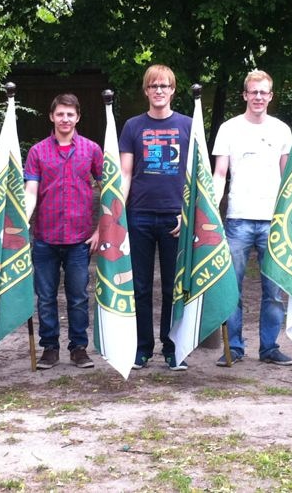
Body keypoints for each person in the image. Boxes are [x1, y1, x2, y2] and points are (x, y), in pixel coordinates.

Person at [211, 70, 292, 367]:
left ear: (271, 96)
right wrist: (212, 208)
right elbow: (220, 174)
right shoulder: (229, 129)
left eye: (264, 92)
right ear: (245, 95)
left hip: (274, 220)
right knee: (231, 289)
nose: (258, 97)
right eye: (253, 92)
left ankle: (270, 347)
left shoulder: (282, 130)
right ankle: (233, 347)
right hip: (238, 220)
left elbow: (289, 178)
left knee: (273, 291)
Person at [119, 64, 191, 371]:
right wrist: (116, 214)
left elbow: (193, 176)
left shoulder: (188, 126)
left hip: (176, 217)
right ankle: (142, 348)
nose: (159, 91)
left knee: (174, 287)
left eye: (164, 86)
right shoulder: (133, 126)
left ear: (173, 90)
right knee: (140, 287)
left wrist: (187, 214)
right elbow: (124, 173)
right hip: (139, 216)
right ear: (146, 91)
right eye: (153, 86)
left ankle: (172, 347)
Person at [24, 93, 103, 370]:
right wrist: (22, 222)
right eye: (60, 114)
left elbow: (110, 189)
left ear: (78, 117)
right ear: (51, 116)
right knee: (45, 297)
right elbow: (30, 191)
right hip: (45, 238)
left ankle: (79, 347)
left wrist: (101, 229)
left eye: (70, 114)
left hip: (80, 239)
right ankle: (50, 348)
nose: (65, 119)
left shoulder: (92, 150)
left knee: (79, 296)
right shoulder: (37, 152)